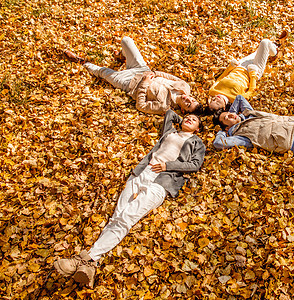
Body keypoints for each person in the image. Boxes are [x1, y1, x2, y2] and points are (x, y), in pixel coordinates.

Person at [54, 110, 206, 288]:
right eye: (188, 117)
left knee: (127, 217)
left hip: (162, 179)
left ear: (198, 128)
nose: (189, 119)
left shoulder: (197, 142)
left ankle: (87, 258)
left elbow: (195, 164)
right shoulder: (170, 132)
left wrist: (168, 165)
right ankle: (91, 265)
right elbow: (170, 114)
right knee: (117, 216)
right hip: (142, 172)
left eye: (194, 120)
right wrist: (183, 120)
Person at [64, 36, 203, 115]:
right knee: (126, 41)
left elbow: (141, 105)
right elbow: (169, 76)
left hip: (129, 83)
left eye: (188, 104)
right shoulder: (185, 86)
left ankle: (82, 62)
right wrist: (154, 73)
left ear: (183, 111)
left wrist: (144, 84)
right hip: (142, 69)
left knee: (103, 72)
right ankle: (122, 57)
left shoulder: (164, 107)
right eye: (192, 100)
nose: (188, 100)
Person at [207, 32, 288, 113]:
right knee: (265, 43)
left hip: (239, 66)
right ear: (224, 108)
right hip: (252, 70)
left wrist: (230, 67)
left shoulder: (212, 91)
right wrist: (253, 75)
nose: (216, 98)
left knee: (258, 52)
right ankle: (276, 50)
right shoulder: (235, 99)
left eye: (213, 100)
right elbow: (251, 91)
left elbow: (221, 77)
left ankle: (274, 46)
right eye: (217, 103)